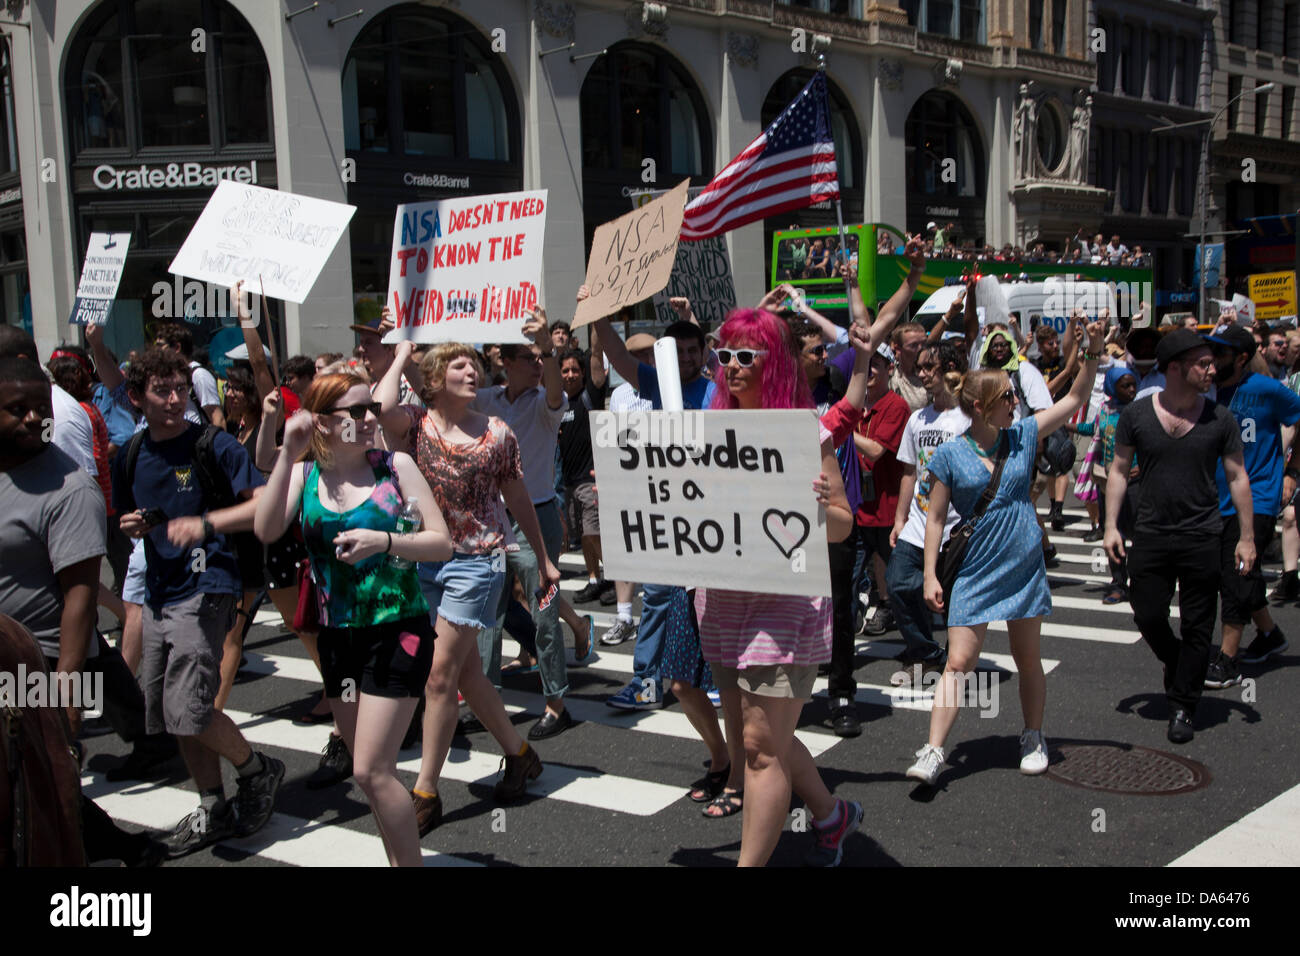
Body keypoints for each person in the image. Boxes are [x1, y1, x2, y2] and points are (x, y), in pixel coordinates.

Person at [255, 373, 451, 866]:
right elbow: (266, 527)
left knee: (370, 769)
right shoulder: (307, 475)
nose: (370, 419)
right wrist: (286, 451)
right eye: (356, 412)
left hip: (397, 633)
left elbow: (441, 542)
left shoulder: (395, 467)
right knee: (368, 772)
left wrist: (383, 541)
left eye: (372, 407)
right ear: (323, 422)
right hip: (338, 644)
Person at [909, 319, 1106, 785]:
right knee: (958, 662)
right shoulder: (951, 454)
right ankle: (934, 750)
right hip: (975, 569)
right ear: (980, 407)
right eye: (1007, 399)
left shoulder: (1024, 436)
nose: (1016, 403)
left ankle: (1033, 734)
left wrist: (1091, 353)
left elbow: (1075, 399)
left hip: (1022, 565)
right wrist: (930, 574)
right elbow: (935, 519)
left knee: (1027, 658)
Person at [696, 307, 859, 866]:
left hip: (787, 601)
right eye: (725, 356)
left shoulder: (802, 431)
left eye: (747, 356)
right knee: (768, 735)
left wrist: (817, 506)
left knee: (761, 748)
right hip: (724, 599)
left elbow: (842, 524)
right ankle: (832, 817)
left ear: (773, 364)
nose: (733, 367)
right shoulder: (707, 428)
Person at [375, 340, 557, 831]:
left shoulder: (497, 433)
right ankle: (520, 754)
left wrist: (541, 558)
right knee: (468, 674)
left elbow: (517, 495)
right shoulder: (416, 424)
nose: (471, 370)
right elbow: (383, 406)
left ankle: (425, 791)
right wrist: (400, 355)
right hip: (426, 560)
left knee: (439, 677)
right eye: (458, 364)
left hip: (478, 563)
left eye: (473, 364)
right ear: (434, 380)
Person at [114, 347, 283, 856]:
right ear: (136, 397)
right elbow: (127, 513)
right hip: (159, 592)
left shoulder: (214, 444)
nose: (173, 399)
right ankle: (212, 804)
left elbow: (262, 502)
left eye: (180, 389)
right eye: (161, 390)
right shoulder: (129, 453)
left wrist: (206, 524)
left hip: (209, 585)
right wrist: (133, 524)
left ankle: (257, 770)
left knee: (187, 707)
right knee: (170, 711)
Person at [1103, 328, 1254, 744]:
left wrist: (1246, 536)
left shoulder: (1220, 418)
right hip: (1150, 532)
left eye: (1211, 363)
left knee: (1199, 625)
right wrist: (1111, 525)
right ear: (1175, 368)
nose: (1211, 370)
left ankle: (1183, 705)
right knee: (1147, 614)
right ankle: (1181, 661)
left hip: (1202, 535)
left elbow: (1238, 476)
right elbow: (1117, 470)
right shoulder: (1136, 415)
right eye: (1202, 364)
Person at [594, 313, 716, 710]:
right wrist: (598, 319)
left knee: (711, 597)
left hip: (711, 513)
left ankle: (713, 678)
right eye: (677, 351)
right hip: (667, 511)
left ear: (703, 353)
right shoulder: (656, 384)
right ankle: (646, 680)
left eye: (692, 351)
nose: (684, 358)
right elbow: (619, 358)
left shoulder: (719, 394)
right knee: (660, 595)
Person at [1200, 326, 1298, 687]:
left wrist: (1293, 471)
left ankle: (1227, 659)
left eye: (1220, 352)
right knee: (1246, 572)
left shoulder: (1268, 390)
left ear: (1241, 358)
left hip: (1258, 496)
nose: (1212, 358)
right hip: (1218, 499)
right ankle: (1270, 635)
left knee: (1237, 575)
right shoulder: (1207, 391)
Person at [887, 341, 969, 685]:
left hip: (957, 526)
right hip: (919, 521)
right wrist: (899, 518)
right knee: (898, 584)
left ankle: (957, 659)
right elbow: (909, 471)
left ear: (950, 369)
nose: (921, 374)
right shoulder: (918, 418)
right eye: (919, 368)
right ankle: (925, 653)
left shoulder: (968, 418)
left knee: (954, 598)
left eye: (928, 368)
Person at [601, 332, 656, 648]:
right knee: (625, 546)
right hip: (626, 480)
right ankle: (624, 616)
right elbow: (611, 438)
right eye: (638, 355)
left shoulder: (666, 388)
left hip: (661, 484)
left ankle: (652, 613)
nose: (645, 360)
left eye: (650, 353)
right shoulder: (620, 395)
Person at [1067, 366, 1139, 603]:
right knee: (1113, 531)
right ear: (1111, 388)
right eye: (1124, 385)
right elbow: (1093, 429)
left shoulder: (1141, 411)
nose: (1131, 390)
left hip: (1137, 483)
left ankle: (1141, 581)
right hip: (1107, 480)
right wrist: (1069, 425)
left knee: (1139, 534)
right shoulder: (1105, 410)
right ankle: (1119, 583)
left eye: (1133, 384)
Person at [151, 323, 225, 428]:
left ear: (177, 347)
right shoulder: (171, 376)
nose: (157, 352)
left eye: (160, 346)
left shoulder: (199, 375)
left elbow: (218, 419)